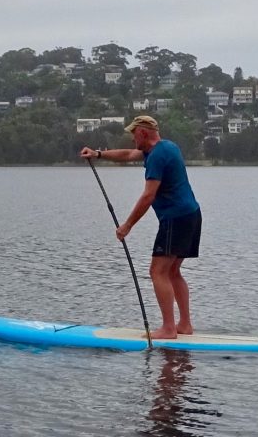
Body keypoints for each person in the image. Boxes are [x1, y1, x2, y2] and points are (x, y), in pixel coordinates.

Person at [80, 115, 202, 339]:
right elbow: (127, 155)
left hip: (175, 218)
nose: (132, 137)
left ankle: (168, 329)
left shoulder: (156, 157)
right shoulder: (167, 147)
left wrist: (127, 226)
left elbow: (148, 196)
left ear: (143, 133)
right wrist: (98, 154)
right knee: (173, 271)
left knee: (157, 271)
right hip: (191, 215)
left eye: (133, 133)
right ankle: (184, 325)